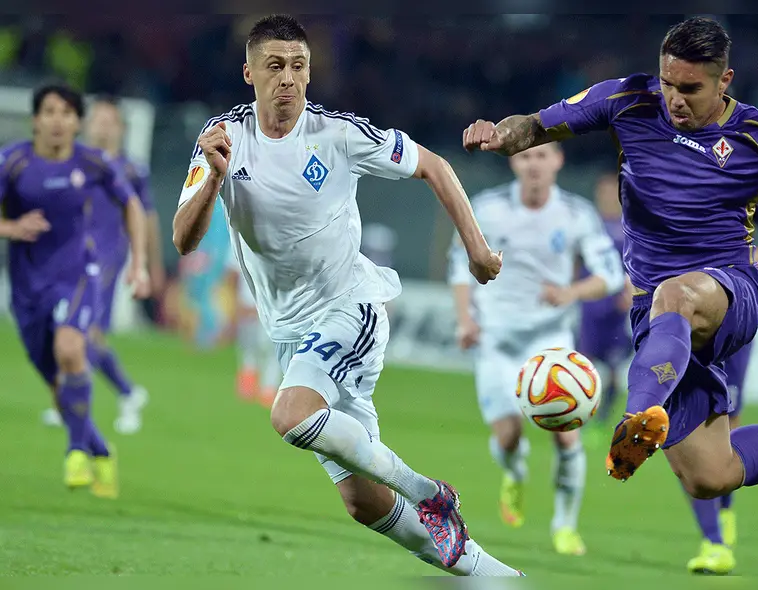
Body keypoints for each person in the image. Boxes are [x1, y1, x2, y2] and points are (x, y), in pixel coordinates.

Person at [463, 16, 758, 509]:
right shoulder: (627, 100)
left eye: (690, 89)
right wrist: (498, 134)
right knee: (710, 476)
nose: (675, 99)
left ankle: (636, 418)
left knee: (677, 294)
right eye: (668, 83)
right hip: (657, 320)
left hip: (730, 291)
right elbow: (534, 127)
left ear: (724, 80)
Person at [171, 15, 520, 576]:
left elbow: (434, 165)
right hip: (289, 332)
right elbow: (184, 241)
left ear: (310, 73)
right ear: (249, 73)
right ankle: (498, 579)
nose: (288, 78)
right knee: (364, 503)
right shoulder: (223, 137)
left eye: (299, 66)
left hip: (348, 307)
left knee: (290, 414)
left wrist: (477, 250)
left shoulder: (337, 134)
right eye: (275, 66)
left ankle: (429, 493)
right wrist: (213, 177)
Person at [449, 143, 624, 556]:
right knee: (508, 437)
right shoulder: (487, 208)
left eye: (542, 156)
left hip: (551, 344)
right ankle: (514, 472)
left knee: (566, 436)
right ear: (514, 161)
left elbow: (611, 274)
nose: (534, 164)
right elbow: (459, 265)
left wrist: (571, 292)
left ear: (558, 160)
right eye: (526, 157)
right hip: (496, 340)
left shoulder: (576, 214)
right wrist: (465, 319)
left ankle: (565, 526)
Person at [0, 83, 150, 497]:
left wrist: (139, 264)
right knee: (57, 387)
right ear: (36, 119)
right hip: (27, 287)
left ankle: (76, 452)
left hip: (78, 273)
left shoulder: (93, 162)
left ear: (76, 123)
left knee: (71, 348)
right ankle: (100, 451)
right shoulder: (13, 163)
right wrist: (12, 227)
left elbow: (132, 205)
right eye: (49, 111)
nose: (57, 121)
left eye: (66, 113)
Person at [682, 184, 758, 574]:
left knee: (726, 423)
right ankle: (713, 541)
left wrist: (724, 261)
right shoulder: (674, 166)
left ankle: (724, 507)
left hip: (734, 311)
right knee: (681, 421)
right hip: (681, 309)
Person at [38, 96, 161, 434]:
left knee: (84, 330)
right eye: (98, 121)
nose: (102, 128)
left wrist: (148, 262)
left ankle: (74, 402)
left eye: (109, 122)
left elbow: (147, 216)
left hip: (106, 259)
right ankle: (128, 393)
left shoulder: (131, 170)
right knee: (73, 330)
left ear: (120, 128)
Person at [578, 173, 632, 441]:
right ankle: (579, 415)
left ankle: (602, 420)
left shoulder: (629, 227)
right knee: (582, 364)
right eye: (603, 192)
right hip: (589, 307)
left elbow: (637, 263)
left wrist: (630, 291)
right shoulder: (590, 225)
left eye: (612, 192)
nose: (607, 197)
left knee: (611, 370)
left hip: (615, 308)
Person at [226, 243, 280, 406]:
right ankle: (249, 382)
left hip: (272, 307)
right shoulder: (240, 239)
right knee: (249, 346)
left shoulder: (280, 241)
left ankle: (268, 389)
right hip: (247, 303)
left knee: (270, 348)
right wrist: (236, 303)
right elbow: (233, 274)